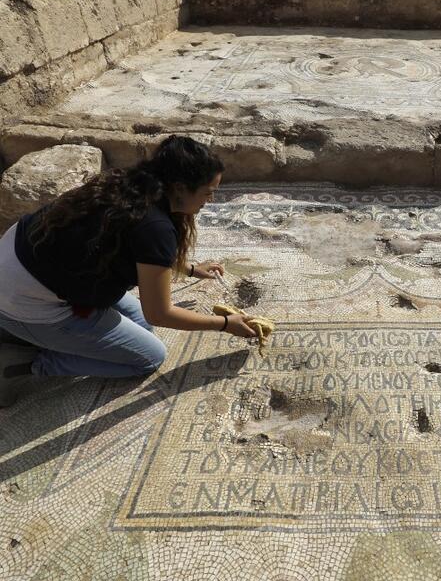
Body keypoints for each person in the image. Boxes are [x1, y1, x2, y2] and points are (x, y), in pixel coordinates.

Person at [0, 136, 256, 406]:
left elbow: (136, 250)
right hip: (23, 301)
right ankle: (25, 363)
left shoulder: (134, 185)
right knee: (148, 356)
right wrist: (226, 325)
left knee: (141, 327)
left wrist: (190, 269)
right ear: (180, 187)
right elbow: (160, 313)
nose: (211, 200)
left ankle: (36, 336)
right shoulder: (156, 226)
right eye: (207, 192)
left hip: (22, 263)